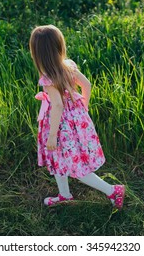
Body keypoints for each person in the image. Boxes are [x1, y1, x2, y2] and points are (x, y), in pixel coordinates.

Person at [30, 25, 125, 209]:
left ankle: (113, 190)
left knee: (77, 166)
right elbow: (87, 85)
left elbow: (57, 105)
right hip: (77, 121)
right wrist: (83, 108)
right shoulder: (69, 66)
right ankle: (64, 195)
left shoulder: (48, 79)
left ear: (38, 53)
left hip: (61, 128)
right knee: (59, 159)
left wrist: (52, 135)